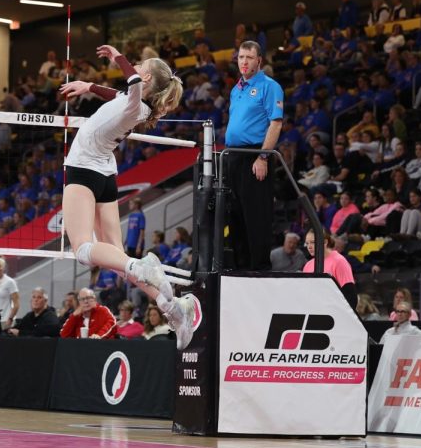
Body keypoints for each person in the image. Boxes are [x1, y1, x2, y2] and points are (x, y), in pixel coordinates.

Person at [58, 44, 193, 347]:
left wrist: (118, 55)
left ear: (145, 77)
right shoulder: (139, 105)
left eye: (140, 65)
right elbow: (119, 93)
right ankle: (173, 307)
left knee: (83, 250)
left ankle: (141, 267)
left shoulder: (135, 96)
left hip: (85, 168)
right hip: (105, 172)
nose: (135, 65)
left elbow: (131, 84)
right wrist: (88, 86)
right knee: (117, 257)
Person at [223, 41, 285, 272]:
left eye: (249, 57)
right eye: (241, 57)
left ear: (259, 60)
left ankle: (259, 269)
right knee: (235, 215)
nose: (244, 62)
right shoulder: (235, 89)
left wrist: (263, 157)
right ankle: (240, 269)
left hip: (254, 155)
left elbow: (275, 124)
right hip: (233, 157)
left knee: (256, 216)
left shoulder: (270, 86)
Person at [302, 230, 357, 309]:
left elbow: (351, 296)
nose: (309, 247)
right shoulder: (308, 265)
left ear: (325, 242)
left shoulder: (339, 261)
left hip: (335, 313)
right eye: (307, 243)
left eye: (313, 242)